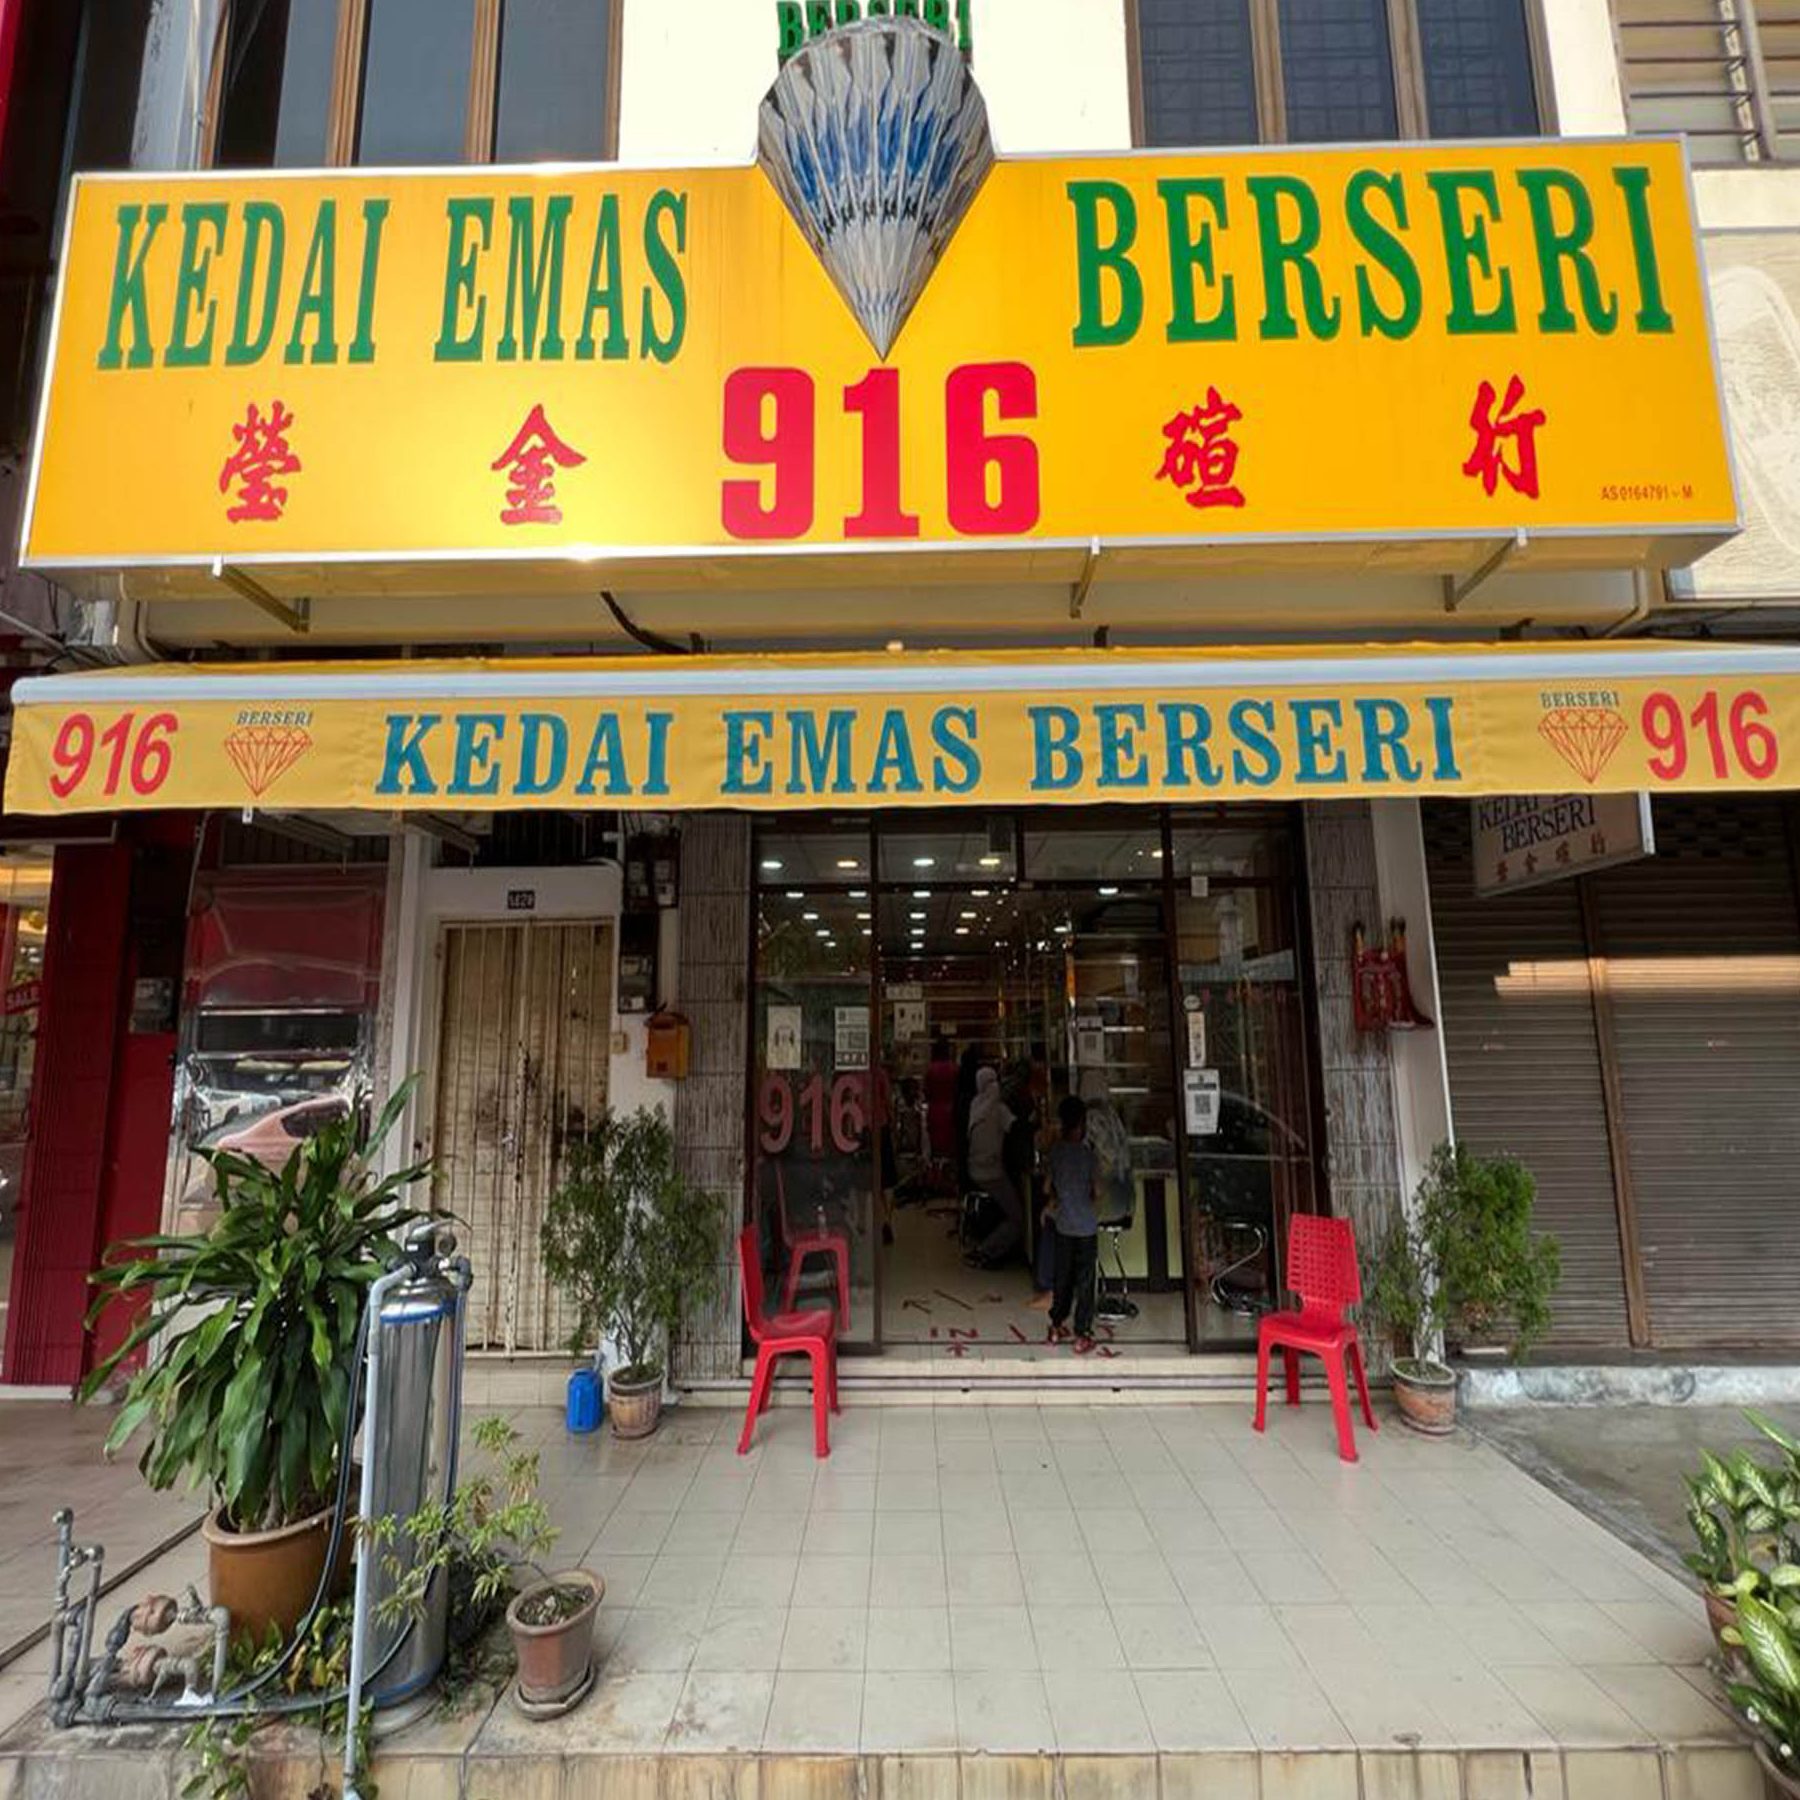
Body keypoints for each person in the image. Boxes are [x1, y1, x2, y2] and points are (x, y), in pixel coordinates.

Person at [1045, 1093, 1101, 1351]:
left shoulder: (1056, 1153)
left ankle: (1056, 1325)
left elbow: (1047, 1188)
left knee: (1063, 1277)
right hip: (1086, 1227)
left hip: (1064, 1225)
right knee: (1085, 1281)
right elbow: (1097, 1191)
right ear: (1081, 1123)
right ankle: (1082, 1333)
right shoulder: (1089, 1156)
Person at [965, 1065, 1020, 1266]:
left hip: (974, 1169)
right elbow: (1017, 1129)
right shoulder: (998, 1109)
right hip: (992, 1173)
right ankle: (986, 1251)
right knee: (1017, 1218)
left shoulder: (975, 1105)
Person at [924, 1037, 958, 1186]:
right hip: (950, 1110)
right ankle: (949, 1177)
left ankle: (936, 1177)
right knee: (950, 1145)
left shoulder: (931, 1070)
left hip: (935, 1110)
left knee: (936, 1147)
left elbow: (927, 1091)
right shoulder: (954, 1069)